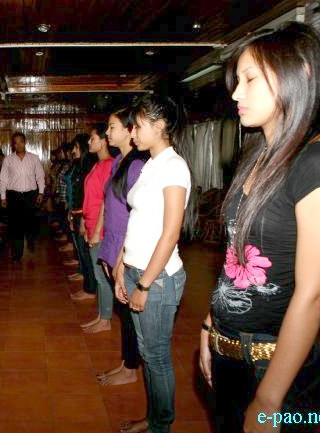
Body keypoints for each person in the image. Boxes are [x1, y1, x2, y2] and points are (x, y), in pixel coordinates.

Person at [199, 22, 320, 433]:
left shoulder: (319, 162)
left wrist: (269, 399)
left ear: (300, 74)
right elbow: (234, 258)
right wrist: (210, 325)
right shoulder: (256, 154)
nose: (235, 93)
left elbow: (315, 294)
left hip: (277, 370)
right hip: (229, 355)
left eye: (250, 79)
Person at [115, 92, 195, 433]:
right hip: (136, 269)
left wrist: (144, 285)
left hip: (158, 278)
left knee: (157, 357)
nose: (132, 133)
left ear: (160, 125)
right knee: (147, 353)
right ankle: (153, 418)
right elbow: (137, 220)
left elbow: (170, 232)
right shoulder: (150, 164)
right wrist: (122, 265)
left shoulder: (174, 167)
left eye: (137, 126)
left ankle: (161, 425)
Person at [96, 108, 148, 386]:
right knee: (123, 310)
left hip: (126, 245)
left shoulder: (137, 165)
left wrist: (121, 258)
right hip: (113, 240)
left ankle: (130, 368)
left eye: (112, 127)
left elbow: (136, 217)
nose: (108, 132)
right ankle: (126, 362)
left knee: (129, 313)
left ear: (130, 130)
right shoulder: (119, 160)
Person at [79, 124, 115, 334]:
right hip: (92, 224)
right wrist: (85, 222)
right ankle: (101, 316)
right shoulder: (98, 164)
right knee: (98, 274)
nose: (89, 142)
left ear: (103, 141)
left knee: (102, 277)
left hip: (100, 229)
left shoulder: (109, 165)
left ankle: (106, 319)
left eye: (92, 139)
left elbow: (105, 202)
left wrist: (95, 232)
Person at [0, 132, 45, 262]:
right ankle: (17, 255)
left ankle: (30, 239)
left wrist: (41, 192)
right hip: (14, 195)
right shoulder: (8, 160)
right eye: (15, 143)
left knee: (30, 223)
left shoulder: (34, 158)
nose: (18, 145)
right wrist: (3, 197)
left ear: (25, 143)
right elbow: (3, 179)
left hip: (31, 195)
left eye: (21, 142)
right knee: (15, 225)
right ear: (13, 145)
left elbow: (40, 176)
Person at [66, 134, 97, 301]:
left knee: (86, 253)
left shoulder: (89, 166)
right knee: (82, 251)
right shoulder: (79, 165)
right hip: (77, 212)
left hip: (84, 214)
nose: (73, 151)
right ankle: (87, 281)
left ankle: (90, 289)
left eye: (76, 147)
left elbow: (88, 196)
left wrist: (83, 217)